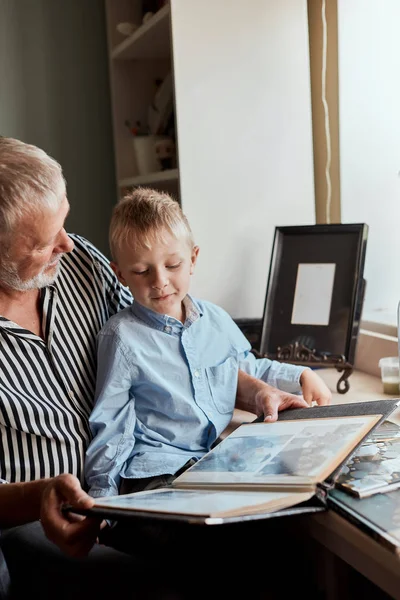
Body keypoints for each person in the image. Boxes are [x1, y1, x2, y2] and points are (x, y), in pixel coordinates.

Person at [0, 137, 329, 598]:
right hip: (46, 517)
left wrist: (257, 390)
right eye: (41, 241)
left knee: (282, 541)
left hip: (163, 479)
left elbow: (174, 351)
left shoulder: (83, 267)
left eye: (64, 222)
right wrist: (58, 498)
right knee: (190, 573)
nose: (66, 244)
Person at [85, 188, 331, 501]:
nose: (159, 281)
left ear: (193, 260)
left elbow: (243, 367)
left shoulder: (214, 319)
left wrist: (299, 375)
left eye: (172, 265)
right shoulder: (121, 337)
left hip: (208, 461)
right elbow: (111, 423)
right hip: (154, 472)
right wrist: (103, 500)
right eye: (142, 271)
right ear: (119, 274)